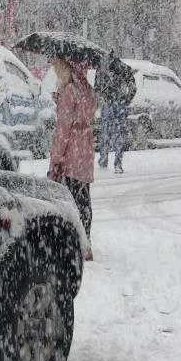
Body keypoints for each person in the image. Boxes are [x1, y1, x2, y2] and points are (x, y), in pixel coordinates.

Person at [47, 57, 98, 251]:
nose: (57, 75)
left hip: (71, 152)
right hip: (85, 148)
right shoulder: (88, 90)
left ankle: (71, 241)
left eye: (58, 70)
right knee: (83, 196)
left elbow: (63, 130)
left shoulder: (69, 92)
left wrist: (55, 159)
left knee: (67, 201)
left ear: (67, 70)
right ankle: (85, 239)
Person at [95, 52, 136, 174]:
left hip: (107, 105)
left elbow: (96, 88)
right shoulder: (125, 68)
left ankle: (103, 159)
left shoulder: (101, 69)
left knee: (105, 133)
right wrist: (126, 100)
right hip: (120, 104)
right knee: (119, 134)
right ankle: (118, 163)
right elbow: (133, 87)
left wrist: (101, 98)